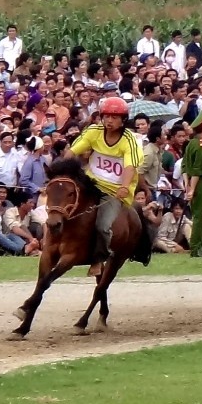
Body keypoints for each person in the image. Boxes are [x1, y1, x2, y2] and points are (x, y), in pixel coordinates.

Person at [65, 96, 144, 276]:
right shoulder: (93, 131)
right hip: (91, 182)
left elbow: (130, 166)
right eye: (106, 116)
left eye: (115, 117)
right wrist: (61, 169)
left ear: (123, 120)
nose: (109, 120)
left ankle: (99, 259)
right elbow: (73, 151)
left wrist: (124, 187)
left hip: (114, 191)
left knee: (103, 225)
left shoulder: (129, 140)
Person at [182, 106, 202, 257]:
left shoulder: (190, 144)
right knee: (199, 217)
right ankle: (195, 248)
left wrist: (187, 185)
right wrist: (192, 189)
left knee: (200, 216)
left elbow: (184, 167)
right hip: (199, 183)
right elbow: (196, 170)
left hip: (191, 182)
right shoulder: (201, 146)